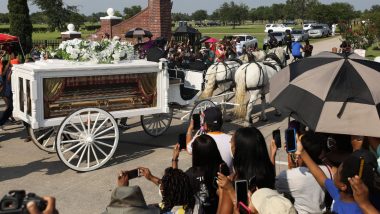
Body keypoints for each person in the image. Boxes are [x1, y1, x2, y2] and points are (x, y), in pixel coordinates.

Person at [300, 147, 377, 214]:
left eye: (337, 172)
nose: (334, 174)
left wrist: (365, 204)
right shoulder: (341, 194)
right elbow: (322, 178)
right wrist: (302, 152)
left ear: (343, 185)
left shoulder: (355, 210)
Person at [216, 127, 276, 213]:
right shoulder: (268, 174)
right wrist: (272, 156)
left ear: (239, 151)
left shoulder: (232, 185)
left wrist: (224, 191)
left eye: (231, 142)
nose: (229, 143)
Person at [275, 131, 332, 214]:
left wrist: (291, 156)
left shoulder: (288, 176)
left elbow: (277, 186)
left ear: (301, 153)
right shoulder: (328, 170)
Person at [174, 135, 225, 213]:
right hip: (222, 209)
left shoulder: (191, 174)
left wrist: (174, 160)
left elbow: (176, 186)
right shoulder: (222, 167)